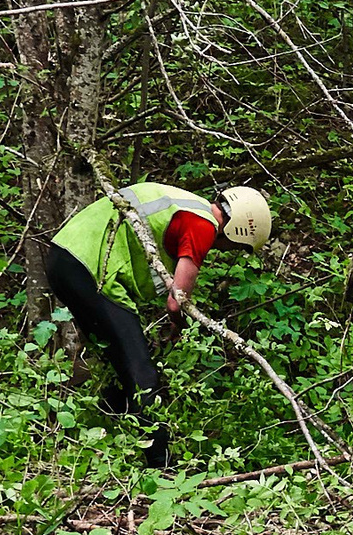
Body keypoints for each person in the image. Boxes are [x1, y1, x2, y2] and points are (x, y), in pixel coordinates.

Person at [46, 181, 273, 467]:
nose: (226, 250)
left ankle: (97, 435)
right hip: (91, 270)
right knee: (142, 374)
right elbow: (177, 301)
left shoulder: (188, 203)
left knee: (119, 363)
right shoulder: (202, 225)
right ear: (237, 230)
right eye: (235, 246)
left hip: (64, 257)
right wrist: (177, 326)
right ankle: (160, 465)